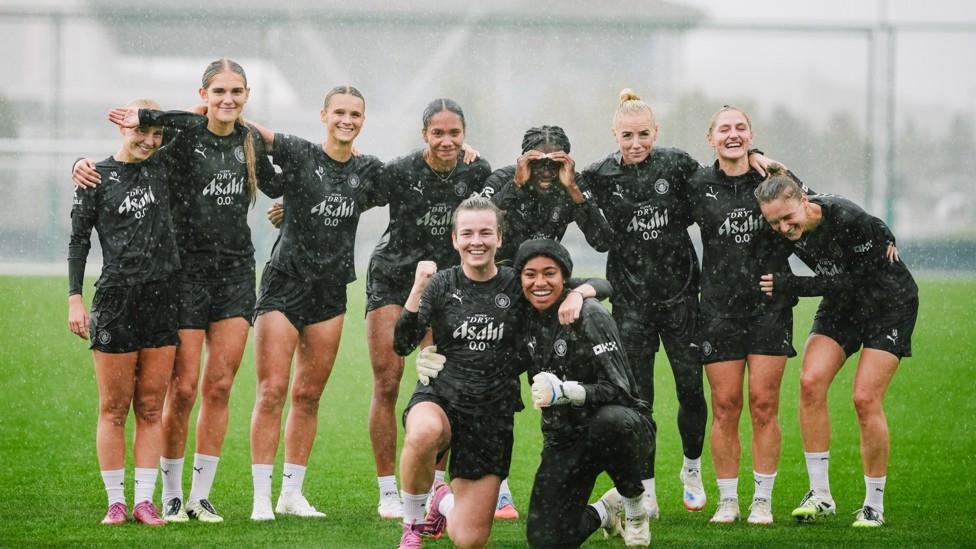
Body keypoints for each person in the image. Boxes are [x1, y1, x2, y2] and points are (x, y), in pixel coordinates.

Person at [74, 59, 277, 523]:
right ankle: (166, 493)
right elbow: (132, 154)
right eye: (218, 91)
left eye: (237, 92)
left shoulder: (247, 140)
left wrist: (285, 196)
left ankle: (200, 497)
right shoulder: (182, 139)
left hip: (235, 276)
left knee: (220, 386)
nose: (228, 100)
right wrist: (88, 158)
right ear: (203, 93)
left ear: (248, 94)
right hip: (184, 276)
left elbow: (282, 182)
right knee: (181, 390)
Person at [391, 196, 608, 549]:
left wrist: (578, 294)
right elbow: (402, 344)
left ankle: (440, 499)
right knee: (424, 432)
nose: (476, 241)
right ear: (454, 240)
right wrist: (417, 288)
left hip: (491, 417)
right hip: (441, 399)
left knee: (469, 539)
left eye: (485, 232)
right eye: (467, 233)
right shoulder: (441, 284)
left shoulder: (517, 285)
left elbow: (603, 284)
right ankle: (412, 528)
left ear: (500, 238)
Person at [245, 86, 385, 520]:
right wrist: (204, 110)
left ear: (363, 119)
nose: (347, 119)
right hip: (284, 285)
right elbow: (249, 128)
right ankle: (261, 499)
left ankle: (292, 494)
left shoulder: (369, 170)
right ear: (323, 114)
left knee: (308, 395)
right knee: (272, 392)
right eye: (339, 112)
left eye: (355, 114)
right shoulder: (302, 153)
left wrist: (466, 148)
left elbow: (419, 171)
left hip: (330, 293)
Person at [756, 164, 917, 528]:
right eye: (774, 223)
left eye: (787, 218)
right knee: (811, 382)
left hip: (888, 305)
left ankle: (873, 504)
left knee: (864, 398)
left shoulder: (847, 219)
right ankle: (821, 495)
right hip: (843, 305)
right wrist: (756, 155)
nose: (783, 229)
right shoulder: (789, 207)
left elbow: (849, 281)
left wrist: (790, 284)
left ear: (803, 200)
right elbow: (783, 180)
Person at [582, 88, 709, 518]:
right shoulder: (599, 174)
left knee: (691, 388)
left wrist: (761, 156)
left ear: (656, 131)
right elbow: (565, 188)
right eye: (627, 136)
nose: (636, 143)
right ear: (613, 134)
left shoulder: (677, 164)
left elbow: (718, 184)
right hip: (631, 302)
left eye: (643, 134)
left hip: (680, 298)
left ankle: (692, 469)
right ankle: (648, 488)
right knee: (640, 402)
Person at [364, 99, 493, 518]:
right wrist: (291, 209)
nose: (446, 141)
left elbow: (499, 203)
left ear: (464, 134)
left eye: (454, 133)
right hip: (392, 279)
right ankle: (387, 491)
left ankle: (436, 488)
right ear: (424, 135)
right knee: (388, 380)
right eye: (438, 133)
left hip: (444, 286)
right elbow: (352, 194)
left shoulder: (477, 171)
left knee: (441, 385)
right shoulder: (400, 171)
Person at [67, 98, 183, 526]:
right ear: (122, 129)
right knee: (113, 408)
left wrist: (152, 118)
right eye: (140, 132)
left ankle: (143, 501)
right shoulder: (95, 176)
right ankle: (115, 501)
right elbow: (78, 241)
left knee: (152, 408)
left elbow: (195, 122)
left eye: (156, 134)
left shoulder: (166, 166)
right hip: (116, 301)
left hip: (163, 299)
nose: (149, 141)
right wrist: (74, 298)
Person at [687, 106, 801, 524]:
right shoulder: (697, 183)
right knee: (726, 406)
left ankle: (762, 500)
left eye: (740, 128)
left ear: (751, 135)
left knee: (764, 404)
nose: (732, 134)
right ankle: (729, 499)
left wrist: (772, 162)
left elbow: (804, 213)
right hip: (717, 309)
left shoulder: (772, 178)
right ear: (711, 138)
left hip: (769, 307)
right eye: (724, 129)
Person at [514, 238, 655, 548]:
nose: (540, 282)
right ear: (519, 277)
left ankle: (633, 506)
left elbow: (619, 390)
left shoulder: (590, 314)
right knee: (545, 540)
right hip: (564, 438)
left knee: (611, 422)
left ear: (565, 277)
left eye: (549, 273)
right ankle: (605, 510)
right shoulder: (521, 313)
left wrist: (566, 392)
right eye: (530, 274)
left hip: (623, 425)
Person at [484, 125, 612, 266]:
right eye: (538, 165)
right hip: (499, 273)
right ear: (526, 161)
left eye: (554, 165)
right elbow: (477, 224)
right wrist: (515, 186)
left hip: (543, 275)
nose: (546, 173)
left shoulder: (573, 184)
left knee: (601, 287)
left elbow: (603, 242)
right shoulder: (501, 179)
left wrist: (573, 190)